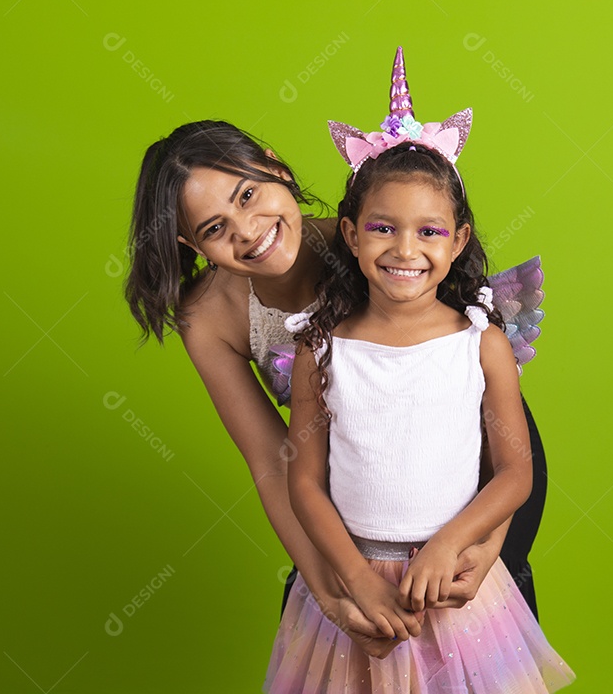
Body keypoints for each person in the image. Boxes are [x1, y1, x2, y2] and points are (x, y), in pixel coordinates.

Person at [124, 51, 548, 657]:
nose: (247, 229)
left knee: (471, 633)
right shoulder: (209, 319)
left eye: (247, 195)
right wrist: (332, 592)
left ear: (275, 168)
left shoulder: (376, 235)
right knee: (341, 634)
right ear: (190, 244)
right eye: (215, 228)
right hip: (348, 481)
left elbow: (491, 427)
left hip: (472, 464)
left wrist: (483, 546)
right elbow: (277, 464)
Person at [263, 59, 574, 691]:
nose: (406, 251)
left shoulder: (480, 345)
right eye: (384, 228)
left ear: (457, 242)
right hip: (361, 577)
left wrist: (449, 545)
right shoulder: (321, 350)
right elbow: (304, 483)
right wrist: (353, 577)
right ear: (350, 234)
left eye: (428, 231)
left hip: (455, 580)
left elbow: (515, 472)